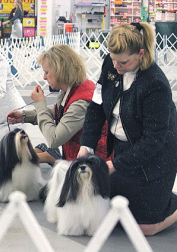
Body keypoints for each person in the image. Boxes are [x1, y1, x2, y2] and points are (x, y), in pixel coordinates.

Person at [77, 22, 177, 236]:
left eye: (122, 61)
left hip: (156, 158)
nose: (116, 65)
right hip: (123, 150)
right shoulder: (110, 65)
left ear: (141, 54)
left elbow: (154, 141)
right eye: (112, 58)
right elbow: (96, 107)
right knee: (111, 211)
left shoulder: (156, 84)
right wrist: (86, 145)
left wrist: (115, 165)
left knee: (143, 228)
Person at [7, 44, 109, 165]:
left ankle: (49, 156)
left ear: (60, 71)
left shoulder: (81, 103)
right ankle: (49, 155)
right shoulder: (72, 88)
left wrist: (40, 104)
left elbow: (54, 139)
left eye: (46, 72)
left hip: (92, 167)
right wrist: (25, 116)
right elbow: (58, 111)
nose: (44, 77)